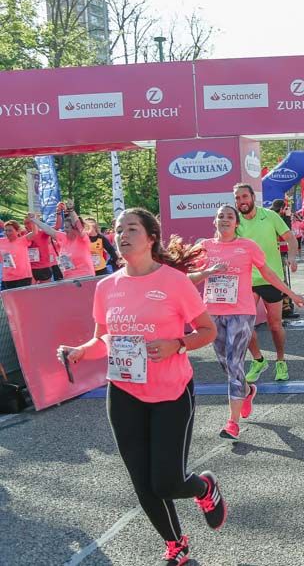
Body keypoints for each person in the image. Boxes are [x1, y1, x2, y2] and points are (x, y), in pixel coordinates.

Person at [56, 208, 226, 566]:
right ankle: (176, 542)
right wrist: (79, 352)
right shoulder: (106, 287)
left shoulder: (174, 282)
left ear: (151, 238)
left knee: (166, 481)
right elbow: (102, 339)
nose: (122, 234)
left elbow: (207, 331)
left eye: (131, 228)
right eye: (118, 229)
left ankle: (204, 487)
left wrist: (177, 344)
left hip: (171, 393)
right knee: (142, 482)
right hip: (123, 393)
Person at [189, 205, 304, 440]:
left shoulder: (247, 246)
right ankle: (247, 390)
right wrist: (207, 272)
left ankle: (232, 422)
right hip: (212, 312)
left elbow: (268, 274)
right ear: (215, 221)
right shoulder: (204, 247)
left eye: (229, 217)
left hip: (241, 312)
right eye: (220, 216)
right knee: (226, 363)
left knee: (234, 363)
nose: (224, 219)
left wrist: (290, 294)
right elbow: (187, 277)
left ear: (236, 224)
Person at [234, 184, 298, 383]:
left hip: (271, 278)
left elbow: (290, 238)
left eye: (245, 196)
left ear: (253, 197)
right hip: (246, 279)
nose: (241, 201)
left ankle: (280, 361)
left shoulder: (270, 216)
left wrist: (293, 257)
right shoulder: (234, 220)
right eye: (237, 198)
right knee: (243, 324)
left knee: (275, 325)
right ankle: (259, 360)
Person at [0, 220, 35, 290]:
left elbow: (34, 232)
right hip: (7, 278)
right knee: (8, 300)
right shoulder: (1, 241)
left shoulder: (23, 240)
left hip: (23, 278)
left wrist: (34, 219)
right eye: (5, 230)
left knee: (22, 300)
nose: (7, 233)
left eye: (10, 230)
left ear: (17, 231)